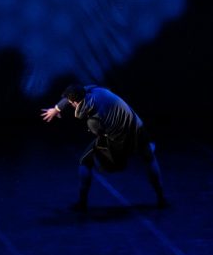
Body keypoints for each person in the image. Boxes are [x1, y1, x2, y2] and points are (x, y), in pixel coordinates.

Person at [41, 84, 168, 212]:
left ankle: (82, 202)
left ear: (75, 103)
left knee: (85, 161)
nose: (68, 104)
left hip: (119, 139)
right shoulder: (97, 90)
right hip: (136, 126)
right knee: (149, 158)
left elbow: (99, 133)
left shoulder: (92, 120)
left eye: (70, 102)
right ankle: (161, 198)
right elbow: (82, 91)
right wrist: (57, 108)